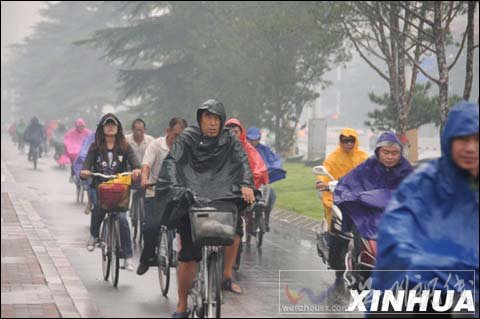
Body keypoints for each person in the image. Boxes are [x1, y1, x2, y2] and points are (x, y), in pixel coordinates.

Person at [149, 100, 255, 318]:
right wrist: (177, 188)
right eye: (208, 118)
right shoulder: (187, 138)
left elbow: (243, 163)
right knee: (188, 256)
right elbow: (171, 164)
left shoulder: (230, 140)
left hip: (222, 202)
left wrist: (246, 185)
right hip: (192, 202)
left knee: (236, 230)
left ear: (222, 121)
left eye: (216, 119)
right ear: (200, 119)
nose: (213, 123)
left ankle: (226, 276)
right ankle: (181, 303)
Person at [373, 102, 479, 313]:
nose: (470, 148)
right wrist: (425, 268)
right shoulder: (423, 184)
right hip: (430, 298)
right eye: (463, 139)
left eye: (477, 140)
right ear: (448, 141)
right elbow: (396, 231)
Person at [80, 113, 141, 271]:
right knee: (99, 209)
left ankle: (127, 257)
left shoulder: (125, 146)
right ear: (102, 128)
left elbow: (135, 163)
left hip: (120, 188)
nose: (110, 127)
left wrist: (136, 170)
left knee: (122, 219)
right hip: (101, 187)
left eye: (113, 124)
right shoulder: (95, 147)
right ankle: (94, 235)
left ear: (118, 127)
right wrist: (85, 171)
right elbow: (87, 163)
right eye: (107, 124)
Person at [334, 131, 413, 240]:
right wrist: (357, 198)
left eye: (394, 153)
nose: (390, 157)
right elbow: (346, 185)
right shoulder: (368, 166)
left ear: (400, 153)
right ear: (378, 151)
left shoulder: (406, 169)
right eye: (386, 152)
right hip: (368, 214)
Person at [137, 117, 187, 273]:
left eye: (182, 136)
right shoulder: (156, 145)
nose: (178, 139)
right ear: (168, 131)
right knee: (150, 227)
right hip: (155, 191)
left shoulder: (186, 148)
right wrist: (145, 179)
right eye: (176, 135)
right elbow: (146, 164)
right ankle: (147, 258)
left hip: (177, 193)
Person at [314, 128, 368, 231]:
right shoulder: (334, 156)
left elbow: (369, 171)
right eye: (345, 141)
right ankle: (329, 233)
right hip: (335, 192)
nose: (348, 144)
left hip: (357, 193)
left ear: (355, 141)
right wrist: (321, 181)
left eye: (351, 140)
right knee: (332, 215)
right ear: (340, 142)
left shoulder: (362, 156)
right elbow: (326, 169)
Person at [226, 118, 269, 236]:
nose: (233, 135)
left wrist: (248, 183)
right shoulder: (219, 147)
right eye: (230, 132)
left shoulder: (248, 148)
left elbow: (257, 167)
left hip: (242, 191)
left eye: (236, 132)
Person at [246, 126, 286, 231]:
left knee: (271, 196)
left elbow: (274, 160)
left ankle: (266, 221)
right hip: (247, 182)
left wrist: (272, 168)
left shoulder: (265, 150)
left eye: (256, 139)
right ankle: (247, 222)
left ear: (259, 139)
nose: (253, 142)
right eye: (251, 139)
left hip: (261, 181)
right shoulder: (243, 149)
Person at [64, 118, 91, 182]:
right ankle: (72, 175)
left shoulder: (88, 132)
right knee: (73, 163)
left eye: (82, 126)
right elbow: (67, 140)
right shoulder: (71, 133)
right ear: (76, 126)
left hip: (85, 151)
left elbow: (92, 140)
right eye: (79, 126)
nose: (81, 128)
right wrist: (68, 146)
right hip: (74, 152)